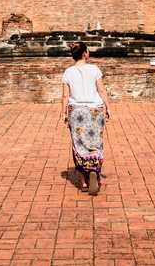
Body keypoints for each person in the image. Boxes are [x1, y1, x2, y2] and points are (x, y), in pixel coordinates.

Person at [61, 41, 111, 195]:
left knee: (78, 144)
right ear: (85, 53)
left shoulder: (68, 72)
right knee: (95, 143)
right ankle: (94, 171)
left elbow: (65, 95)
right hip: (95, 111)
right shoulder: (94, 69)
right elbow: (101, 90)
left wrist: (63, 113)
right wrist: (108, 107)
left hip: (77, 112)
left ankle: (83, 181)